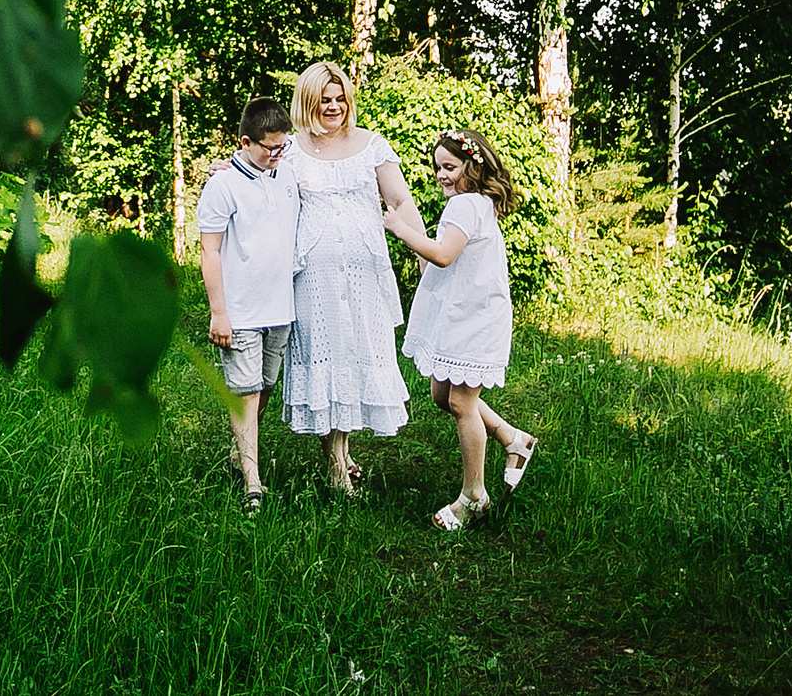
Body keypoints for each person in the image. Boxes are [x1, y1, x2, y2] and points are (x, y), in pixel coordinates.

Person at [384, 128, 539, 531]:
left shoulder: (465, 205)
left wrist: (400, 228)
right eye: (438, 167)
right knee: (442, 394)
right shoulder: (476, 203)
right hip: (466, 314)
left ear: (473, 167)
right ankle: (513, 439)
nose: (442, 175)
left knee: (460, 403)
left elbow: (444, 255)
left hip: (475, 320)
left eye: (450, 167)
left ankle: (474, 496)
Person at [279, 60, 421, 492]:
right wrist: (225, 171)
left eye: (340, 99)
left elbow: (401, 202)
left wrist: (424, 253)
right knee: (325, 354)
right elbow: (256, 174)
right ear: (307, 102)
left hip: (364, 276)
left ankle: (341, 455)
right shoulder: (290, 149)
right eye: (324, 100)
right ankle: (336, 464)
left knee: (355, 354)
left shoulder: (372, 145)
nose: (334, 107)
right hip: (312, 277)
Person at [195, 97, 299, 509]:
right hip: (240, 310)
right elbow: (209, 251)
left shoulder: (286, 169)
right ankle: (252, 483)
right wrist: (219, 313)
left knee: (265, 387)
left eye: (282, 146)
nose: (277, 154)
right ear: (245, 142)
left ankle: (240, 455)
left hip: (280, 307)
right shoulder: (222, 185)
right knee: (246, 393)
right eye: (269, 148)